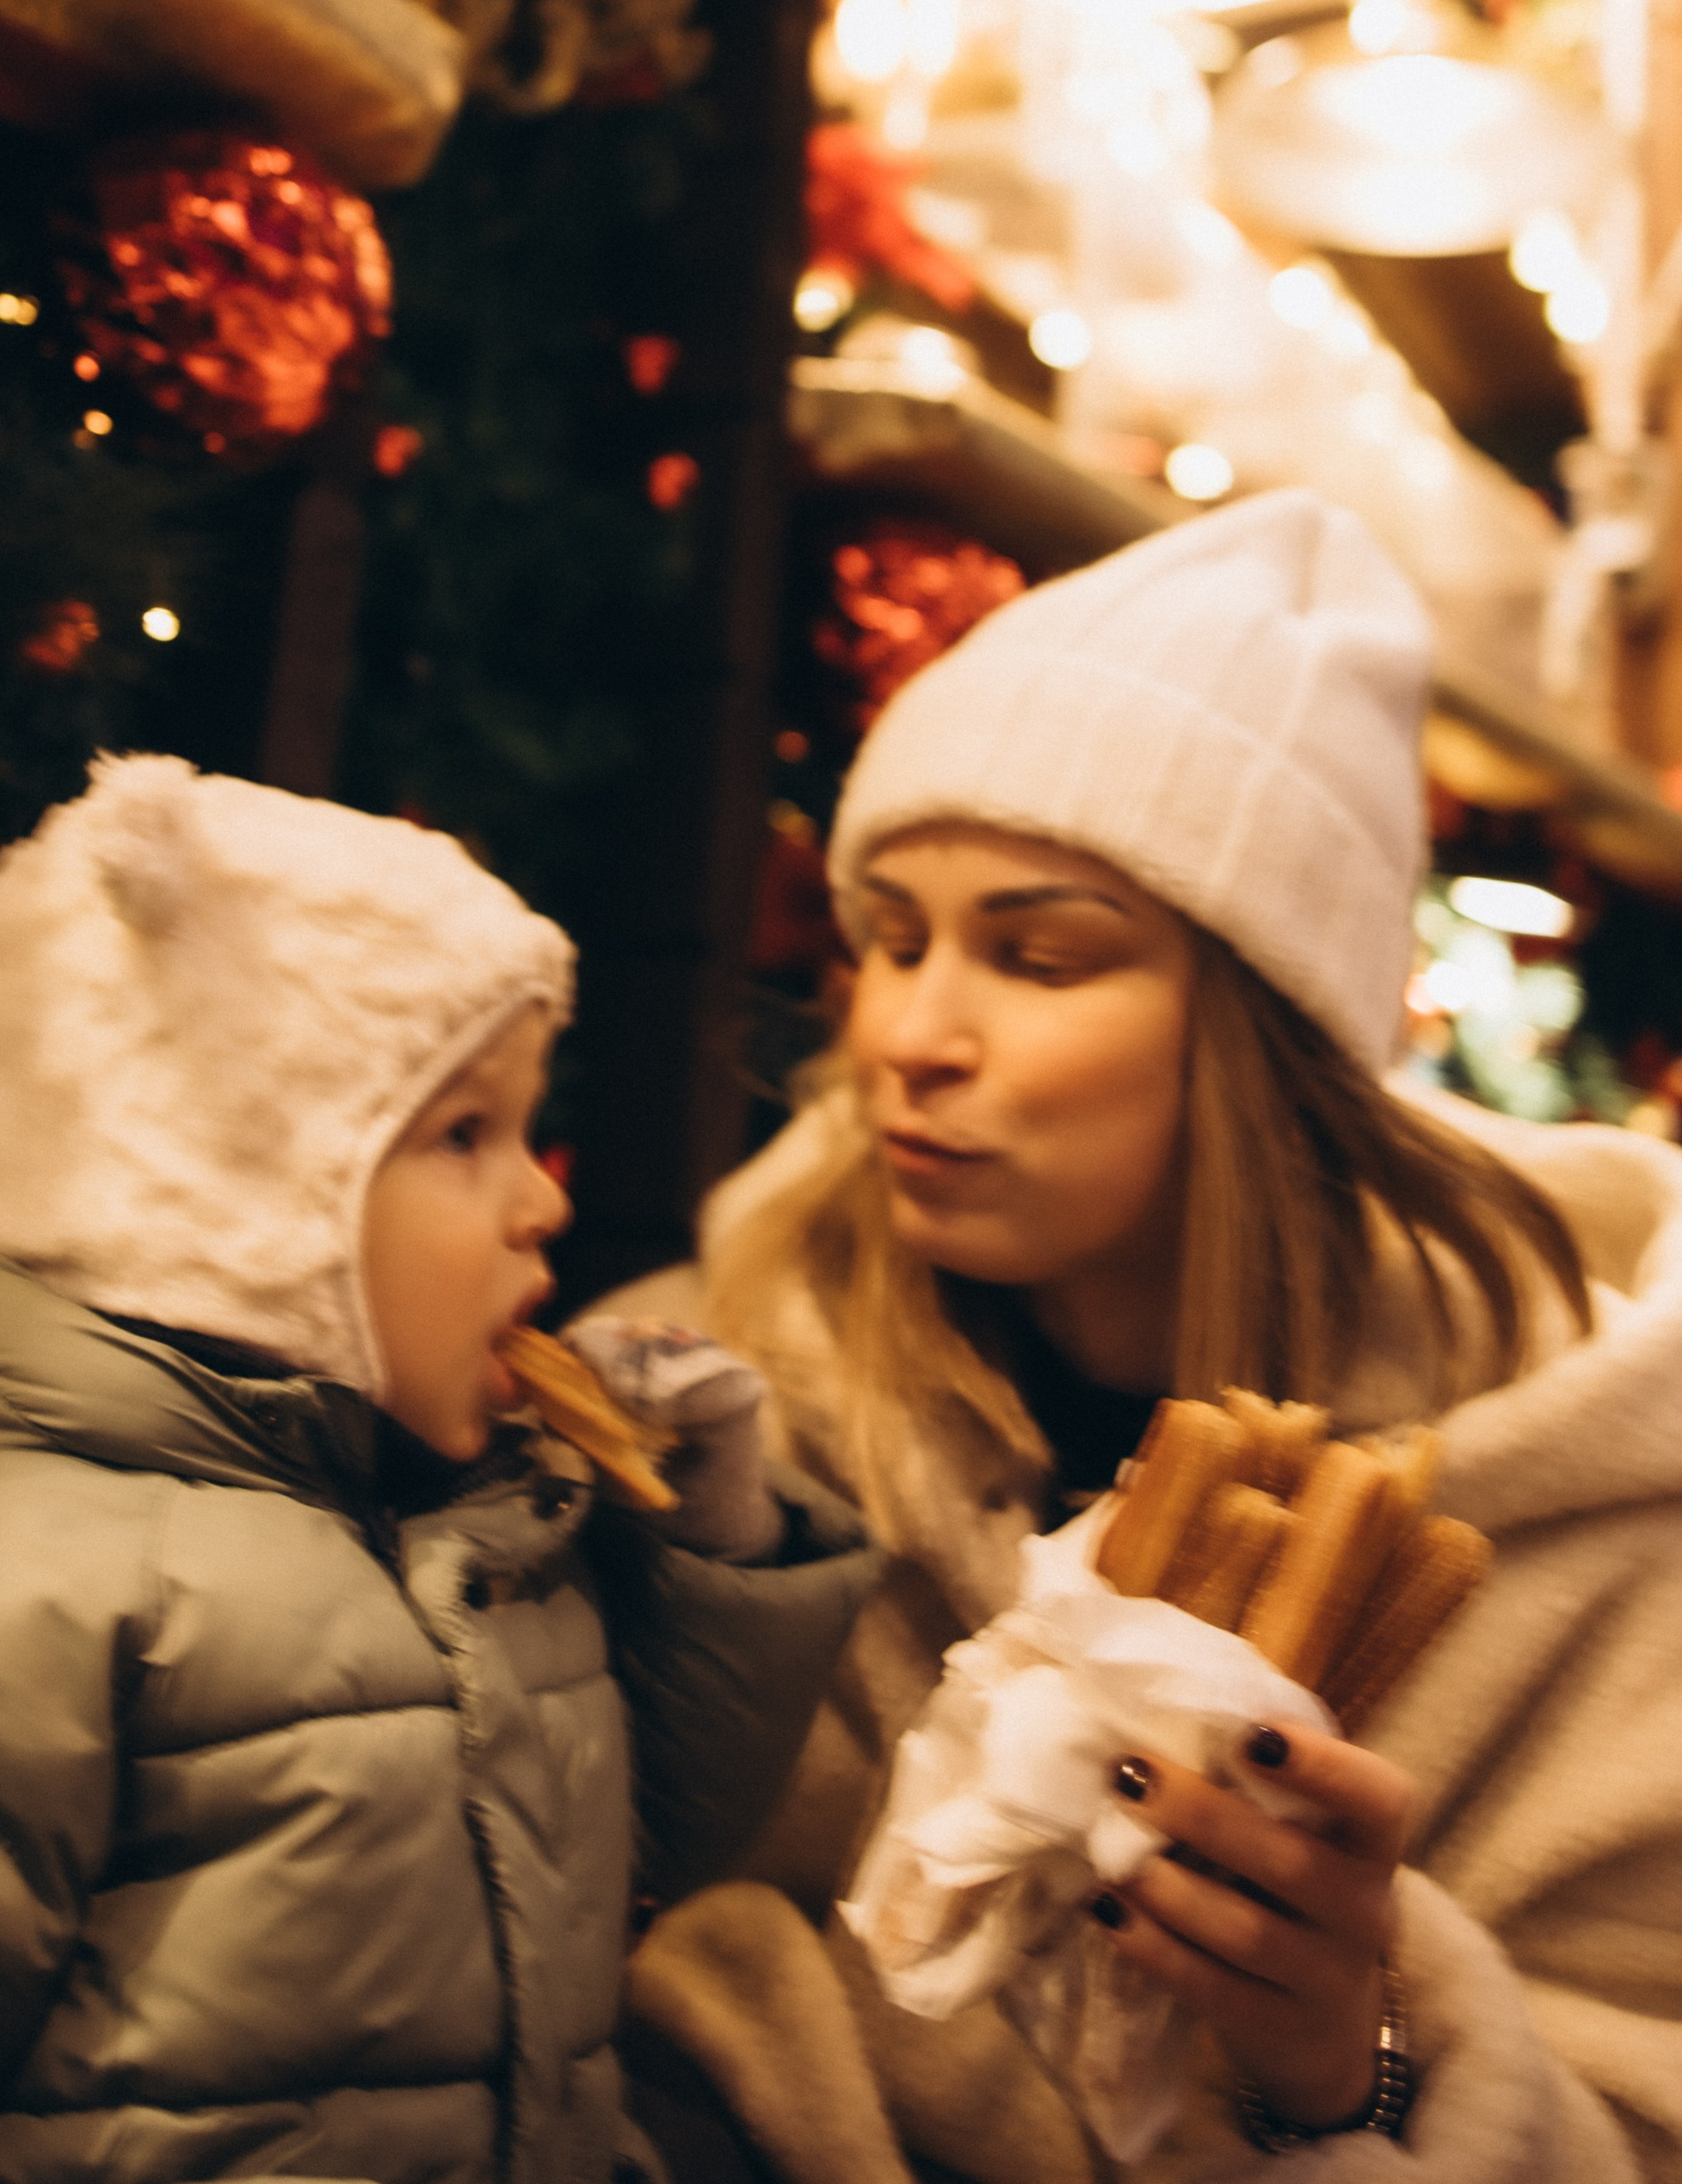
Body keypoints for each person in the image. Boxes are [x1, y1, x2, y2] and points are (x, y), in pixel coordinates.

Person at [0, 755, 876, 2184]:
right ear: (246, 1189)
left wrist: (712, 1533)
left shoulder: (462, 1528)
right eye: (463, 1134)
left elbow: (613, 1848)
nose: (542, 1196)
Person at [613, 491, 1682, 2183]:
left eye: (1036, 956)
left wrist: (1350, 2059)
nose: (911, 1032)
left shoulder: (1607, 1540)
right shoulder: (741, 1409)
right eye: (889, 938)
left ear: (1263, 1028)